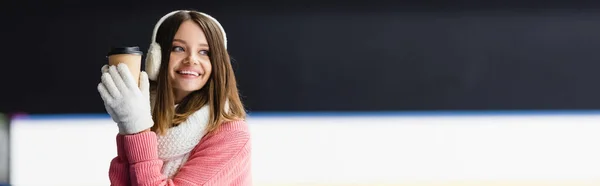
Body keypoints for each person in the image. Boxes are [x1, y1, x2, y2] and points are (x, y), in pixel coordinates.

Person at [97, 10, 251, 186]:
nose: (191, 59)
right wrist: (128, 127)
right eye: (179, 48)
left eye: (204, 52)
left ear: (217, 63)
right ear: (158, 58)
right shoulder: (142, 114)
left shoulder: (231, 134)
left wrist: (137, 129)